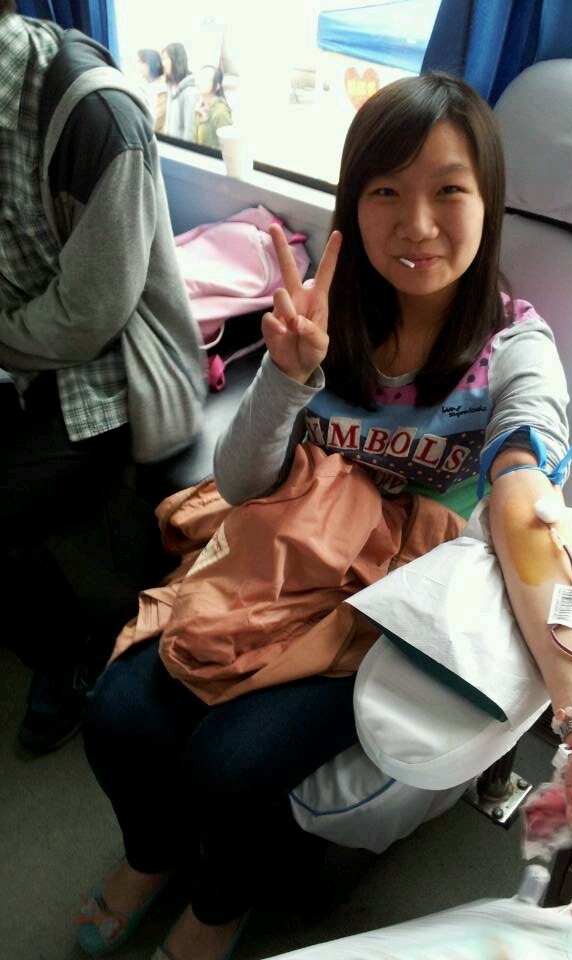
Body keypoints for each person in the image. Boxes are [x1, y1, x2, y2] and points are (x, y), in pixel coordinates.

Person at [78, 73, 572, 960]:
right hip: (282, 556)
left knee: (227, 765)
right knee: (116, 716)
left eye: (449, 191)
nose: (418, 224)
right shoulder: (325, 317)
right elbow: (242, 485)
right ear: (353, 204)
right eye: (386, 192)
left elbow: (526, 507)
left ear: (489, 202)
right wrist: (287, 375)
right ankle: (151, 853)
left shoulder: (514, 351)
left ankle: (217, 906)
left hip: (384, 599)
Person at [0, 3, 206, 754]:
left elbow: (91, 316)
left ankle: (67, 652)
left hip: (118, 367)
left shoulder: (95, 119)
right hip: (24, 342)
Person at [161, 42, 196, 141]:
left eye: (165, 59)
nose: (163, 63)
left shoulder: (189, 92)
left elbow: (189, 132)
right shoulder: (171, 88)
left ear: (176, 60)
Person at [194, 64, 232, 150]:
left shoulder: (220, 113)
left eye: (207, 79)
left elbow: (227, 148)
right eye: (200, 77)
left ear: (217, 86)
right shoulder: (200, 107)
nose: (201, 82)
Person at [137, 47, 167, 133]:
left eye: (141, 62)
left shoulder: (162, 89)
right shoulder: (142, 86)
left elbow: (156, 122)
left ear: (150, 63)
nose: (138, 66)